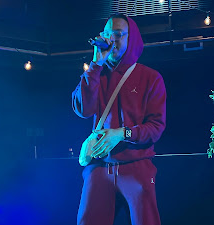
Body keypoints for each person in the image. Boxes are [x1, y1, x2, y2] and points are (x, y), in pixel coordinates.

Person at [72, 14, 166, 225]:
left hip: (137, 165)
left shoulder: (150, 77)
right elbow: (83, 109)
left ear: (131, 38)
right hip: (100, 166)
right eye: (106, 34)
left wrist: (122, 133)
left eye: (117, 35)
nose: (111, 40)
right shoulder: (97, 73)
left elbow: (156, 127)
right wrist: (96, 64)